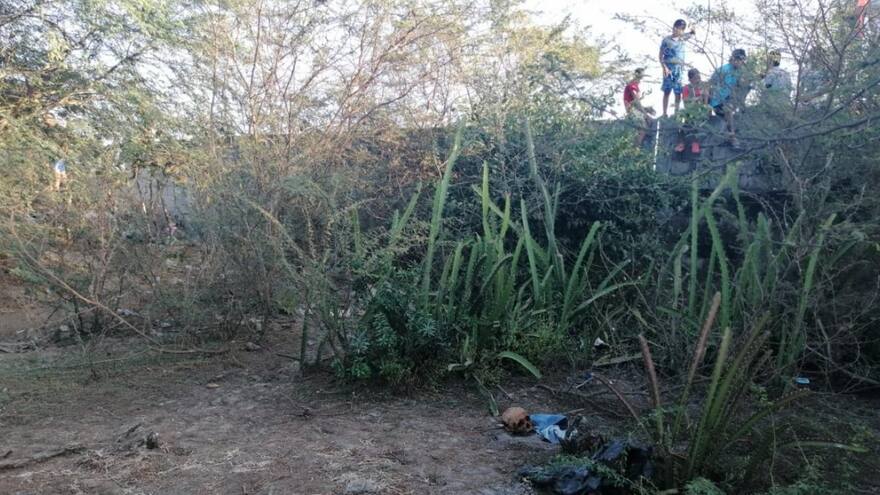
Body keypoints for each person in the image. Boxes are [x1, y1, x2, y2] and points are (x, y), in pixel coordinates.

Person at [709, 48, 748, 147]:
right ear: (734, 59)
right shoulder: (723, 70)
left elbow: (741, 85)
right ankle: (732, 137)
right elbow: (710, 85)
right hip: (718, 101)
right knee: (728, 110)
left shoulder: (739, 72)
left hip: (730, 99)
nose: (741, 63)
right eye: (739, 60)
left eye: (742, 61)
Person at [659, 19, 696, 117]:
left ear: (682, 30)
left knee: (677, 92)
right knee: (667, 91)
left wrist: (692, 26)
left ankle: (676, 113)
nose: (675, 29)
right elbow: (660, 55)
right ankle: (664, 113)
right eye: (675, 27)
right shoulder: (666, 40)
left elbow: (693, 33)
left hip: (679, 69)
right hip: (668, 68)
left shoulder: (683, 38)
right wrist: (664, 67)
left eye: (679, 28)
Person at [674, 68, 710, 155]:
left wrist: (704, 96)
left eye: (699, 77)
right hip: (690, 111)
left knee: (698, 120)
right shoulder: (687, 88)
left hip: (701, 111)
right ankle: (681, 142)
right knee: (685, 120)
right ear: (690, 79)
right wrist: (696, 99)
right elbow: (686, 102)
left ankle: (695, 142)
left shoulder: (703, 87)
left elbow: (705, 103)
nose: (698, 80)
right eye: (695, 78)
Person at [623, 68, 656, 147]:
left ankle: (641, 145)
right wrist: (646, 114)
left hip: (634, 108)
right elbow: (636, 102)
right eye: (640, 77)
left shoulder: (636, 85)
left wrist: (646, 109)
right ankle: (635, 149)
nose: (641, 80)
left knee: (647, 124)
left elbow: (636, 103)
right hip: (631, 110)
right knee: (642, 129)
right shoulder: (632, 85)